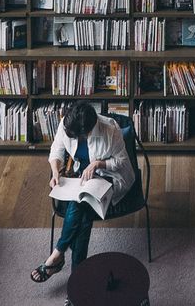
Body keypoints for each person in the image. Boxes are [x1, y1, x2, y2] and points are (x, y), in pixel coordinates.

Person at [30, 102, 134, 282]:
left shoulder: (110, 129)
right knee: (83, 213)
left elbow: (123, 162)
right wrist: (56, 172)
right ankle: (77, 277)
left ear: (89, 129)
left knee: (80, 204)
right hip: (82, 178)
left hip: (110, 177)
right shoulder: (67, 123)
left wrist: (98, 164)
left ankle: (58, 255)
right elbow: (56, 150)